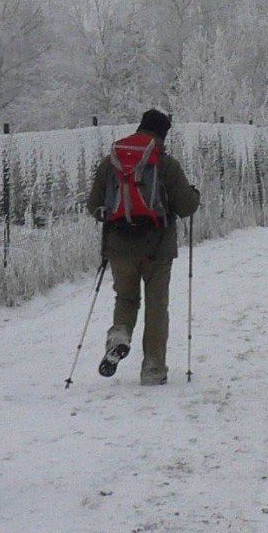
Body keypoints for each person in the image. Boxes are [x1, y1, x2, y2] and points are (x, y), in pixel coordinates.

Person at [88, 109, 202, 385]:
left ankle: (119, 336)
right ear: (163, 133)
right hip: (157, 247)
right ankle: (153, 367)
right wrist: (194, 195)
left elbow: (94, 205)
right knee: (156, 305)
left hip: (119, 245)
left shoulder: (111, 162)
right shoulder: (165, 163)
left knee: (126, 298)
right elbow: (186, 206)